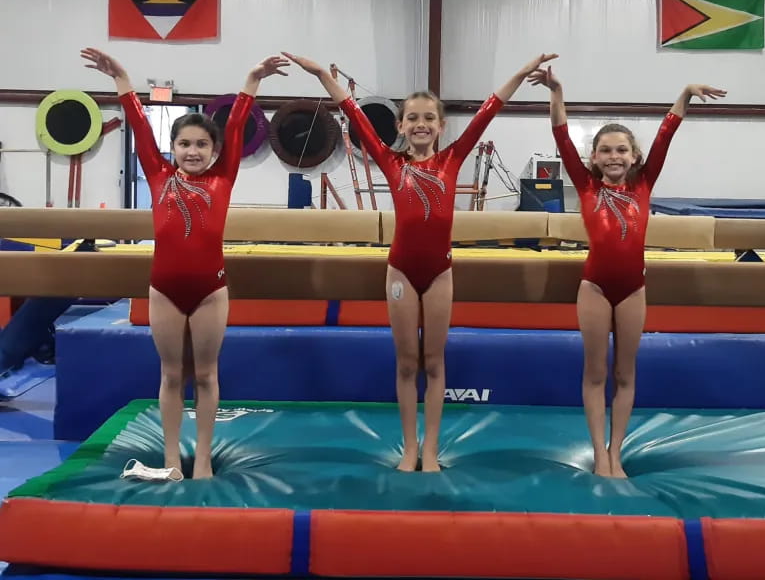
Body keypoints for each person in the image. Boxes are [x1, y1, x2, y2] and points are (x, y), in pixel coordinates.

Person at [284, 51, 557, 471]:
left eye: (429, 118)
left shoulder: (453, 158)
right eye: (412, 118)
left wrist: (520, 74)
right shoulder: (390, 162)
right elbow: (353, 115)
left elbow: (489, 110)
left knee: (434, 360)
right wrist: (323, 75)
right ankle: (409, 446)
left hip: (439, 273)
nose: (421, 125)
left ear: (441, 126)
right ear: (400, 126)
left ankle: (430, 448)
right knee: (407, 361)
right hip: (401, 272)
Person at [81, 47, 288, 479]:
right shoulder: (158, 174)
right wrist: (121, 78)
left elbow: (235, 124)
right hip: (165, 290)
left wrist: (253, 80)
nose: (193, 151)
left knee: (207, 375)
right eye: (185, 144)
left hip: (211, 291)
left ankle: (206, 458)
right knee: (172, 375)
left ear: (215, 150)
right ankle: (173, 457)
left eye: (201, 144)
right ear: (171, 147)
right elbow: (137, 124)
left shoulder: (222, 177)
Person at [531, 65, 726, 478]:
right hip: (596, 288)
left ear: (634, 157)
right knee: (595, 371)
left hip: (633, 288)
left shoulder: (643, 184)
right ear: (594, 157)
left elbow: (665, 136)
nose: (614, 156)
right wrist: (557, 93)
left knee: (625, 372)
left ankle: (616, 450)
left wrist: (685, 94)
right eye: (606, 150)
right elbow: (561, 136)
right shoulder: (586, 186)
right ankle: (599, 452)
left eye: (622, 150)